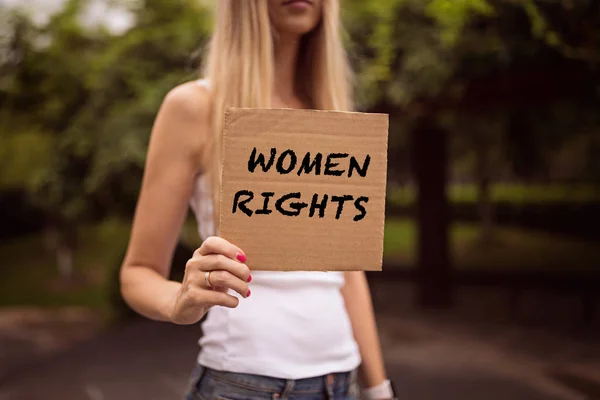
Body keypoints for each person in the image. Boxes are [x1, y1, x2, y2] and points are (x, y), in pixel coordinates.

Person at [119, 0, 396, 399]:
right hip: (243, 385)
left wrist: (378, 388)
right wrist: (179, 300)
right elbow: (137, 272)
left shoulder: (331, 114)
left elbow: (347, 274)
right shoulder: (194, 107)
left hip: (342, 383)